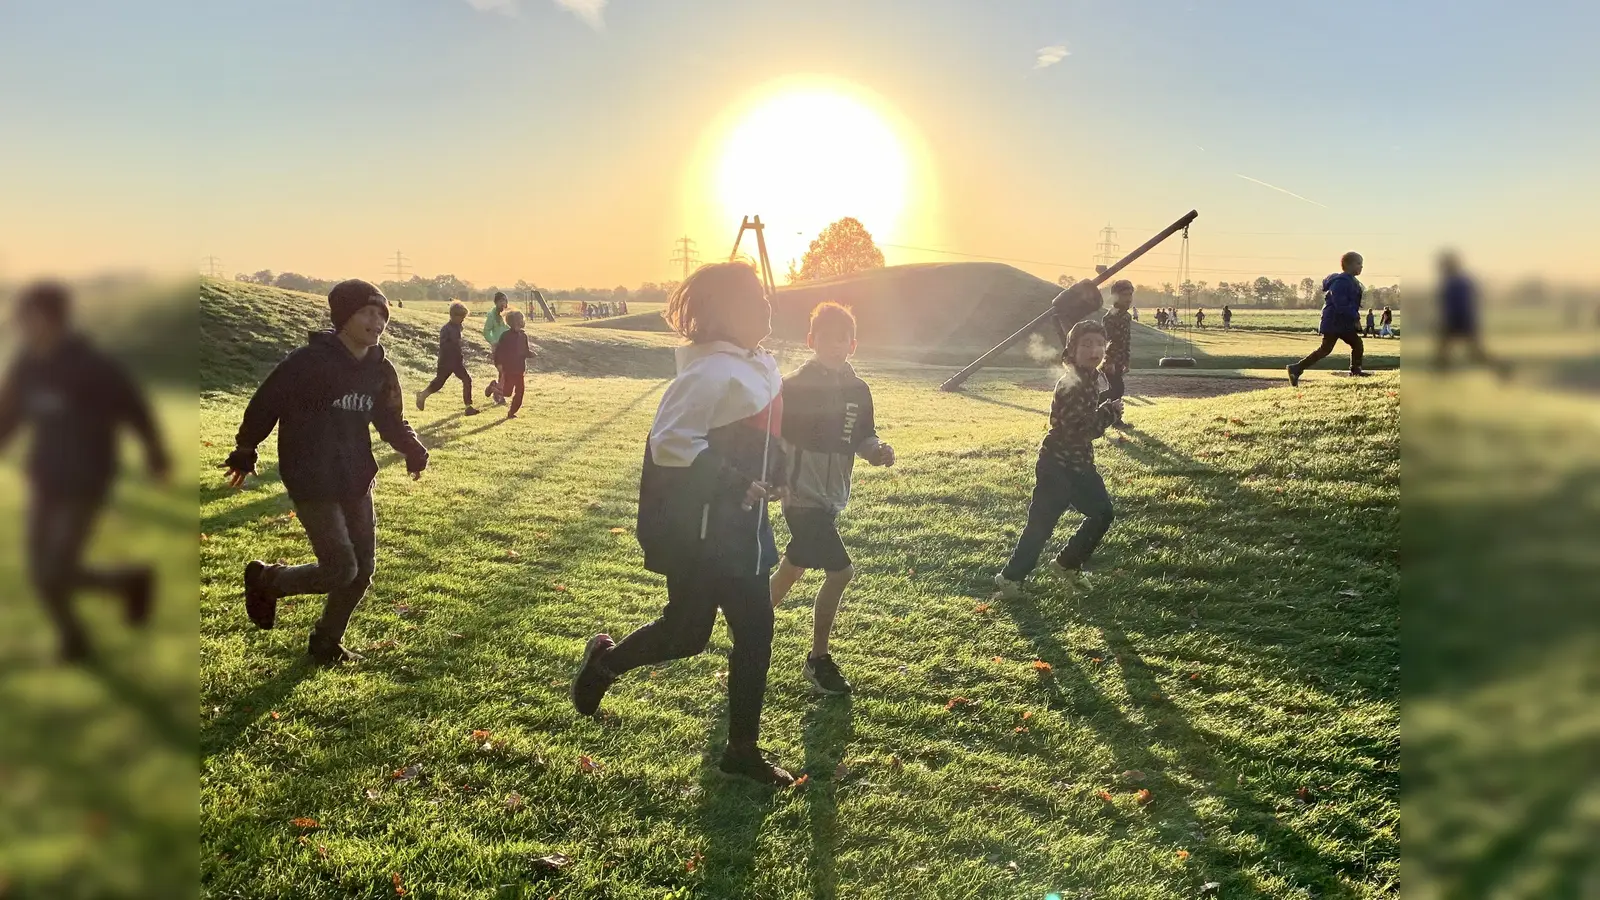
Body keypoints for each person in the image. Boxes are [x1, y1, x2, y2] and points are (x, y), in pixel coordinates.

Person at [569, 262, 794, 786]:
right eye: (753, 297)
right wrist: (737, 482)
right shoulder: (708, 372)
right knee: (687, 634)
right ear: (724, 312)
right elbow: (670, 443)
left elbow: (764, 435)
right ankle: (604, 664)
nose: (765, 304)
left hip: (745, 525)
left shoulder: (761, 364)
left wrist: (776, 472)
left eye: (763, 294)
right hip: (702, 530)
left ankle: (741, 751)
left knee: (756, 635)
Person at [225, 280, 430, 666]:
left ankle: (326, 642)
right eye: (367, 313)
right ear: (343, 318)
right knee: (340, 568)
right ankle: (269, 581)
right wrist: (245, 447)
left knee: (362, 570)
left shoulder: (380, 370)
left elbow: (390, 419)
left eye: (382, 314)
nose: (377, 321)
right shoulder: (307, 362)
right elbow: (266, 402)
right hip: (311, 476)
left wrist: (413, 449)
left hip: (355, 476)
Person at [0, 281, 169, 662]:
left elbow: (134, 407)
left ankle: (80, 633)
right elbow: (7, 416)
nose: (20, 322)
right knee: (41, 570)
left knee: (54, 568)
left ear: (49, 317)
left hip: (87, 478)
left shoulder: (92, 364)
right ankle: (118, 593)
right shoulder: (27, 364)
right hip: (45, 476)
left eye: (26, 314)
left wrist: (155, 453)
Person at [768, 302, 895, 696]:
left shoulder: (860, 390)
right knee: (841, 572)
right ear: (812, 341)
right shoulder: (793, 385)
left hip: (831, 495)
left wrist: (876, 450)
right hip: (800, 495)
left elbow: (862, 436)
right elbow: (777, 437)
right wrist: (775, 477)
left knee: (794, 566)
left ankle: (748, 622)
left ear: (852, 344)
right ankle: (817, 660)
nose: (834, 345)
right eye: (826, 338)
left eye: (842, 338)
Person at [993, 319, 1121, 599]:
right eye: (1086, 344)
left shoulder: (1089, 379)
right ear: (1071, 350)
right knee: (1041, 525)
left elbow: (1085, 421)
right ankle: (1011, 580)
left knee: (1102, 513)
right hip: (1057, 466)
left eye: (1100, 344)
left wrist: (1104, 407)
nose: (1094, 350)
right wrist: (1109, 413)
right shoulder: (1071, 383)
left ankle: (1067, 563)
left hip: (1080, 465)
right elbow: (1083, 429)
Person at [1287, 252, 1369, 385]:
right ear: (1348, 265)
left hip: (1339, 321)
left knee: (1350, 345)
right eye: (1358, 263)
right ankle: (1296, 369)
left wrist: (1355, 319)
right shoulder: (1341, 282)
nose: (1361, 267)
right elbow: (1340, 303)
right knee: (1337, 347)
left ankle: (1296, 369)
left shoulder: (1350, 281)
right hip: (1334, 322)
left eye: (1362, 264)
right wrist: (1354, 317)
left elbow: (1350, 304)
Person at [1436, 253, 1509, 377]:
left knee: (1472, 353)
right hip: (1465, 322)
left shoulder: (1455, 282)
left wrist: (1449, 321)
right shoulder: (1462, 281)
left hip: (1460, 322)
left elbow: (1457, 306)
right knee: (1445, 351)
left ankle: (1502, 368)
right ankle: (1441, 376)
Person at [415, 301, 481, 416]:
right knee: (439, 382)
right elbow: (445, 345)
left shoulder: (458, 327)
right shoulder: (446, 329)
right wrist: (455, 345)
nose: (463, 320)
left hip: (456, 361)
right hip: (446, 361)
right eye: (461, 317)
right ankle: (423, 395)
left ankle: (468, 407)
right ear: (453, 315)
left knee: (467, 380)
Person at [1099, 280, 1134, 429]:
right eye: (1125, 295)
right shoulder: (1110, 317)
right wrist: (1109, 361)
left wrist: (1126, 360)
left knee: (1117, 389)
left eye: (1130, 294)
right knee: (1117, 389)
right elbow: (1108, 341)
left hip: (1119, 360)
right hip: (1109, 360)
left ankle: (1111, 417)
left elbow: (1125, 341)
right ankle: (1098, 407)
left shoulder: (1126, 316)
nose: (1129, 298)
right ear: (1115, 296)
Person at [493, 310, 536, 420]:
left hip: (520, 369)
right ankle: (494, 387)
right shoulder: (506, 336)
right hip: (509, 369)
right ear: (513, 322)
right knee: (507, 393)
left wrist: (530, 354)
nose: (522, 321)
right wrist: (498, 364)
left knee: (520, 392)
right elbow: (499, 351)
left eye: (522, 319)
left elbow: (525, 351)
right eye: (520, 319)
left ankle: (511, 412)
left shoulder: (523, 336)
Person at [483, 292, 511, 405]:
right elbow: (486, 331)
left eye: (504, 300)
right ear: (496, 302)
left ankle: (495, 389)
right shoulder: (491, 315)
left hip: (509, 349)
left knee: (506, 373)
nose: (503, 303)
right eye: (500, 301)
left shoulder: (508, 314)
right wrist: (493, 342)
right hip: (498, 349)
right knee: (503, 371)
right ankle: (497, 393)